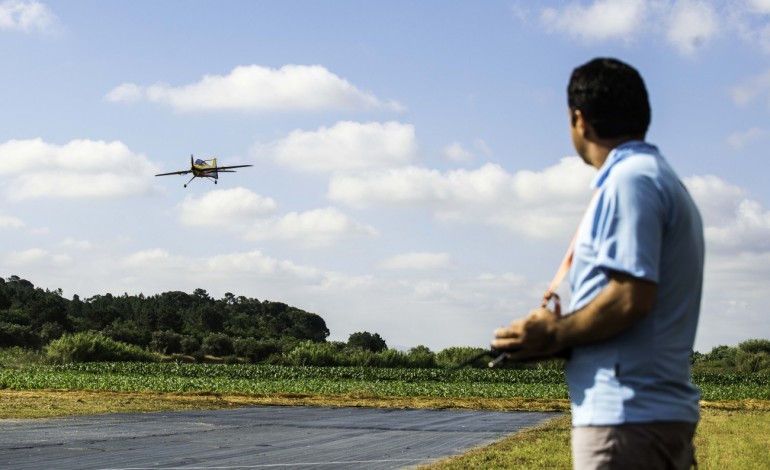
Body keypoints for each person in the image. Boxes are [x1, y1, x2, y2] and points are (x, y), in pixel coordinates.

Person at [492, 57, 704, 470]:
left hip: (625, 419)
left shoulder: (631, 181)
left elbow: (629, 299)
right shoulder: (658, 177)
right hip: (649, 415)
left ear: (579, 120)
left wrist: (553, 335)